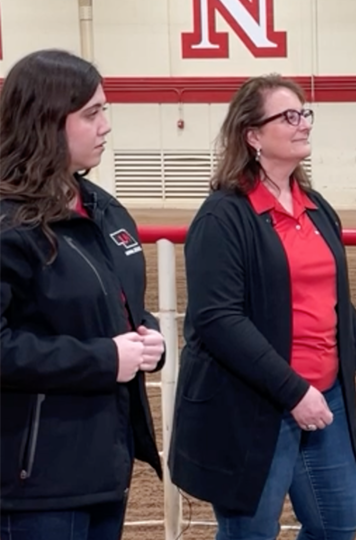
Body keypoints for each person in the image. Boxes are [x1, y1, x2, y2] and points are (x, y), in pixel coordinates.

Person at [168, 73, 356, 540]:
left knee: (337, 521)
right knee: (251, 532)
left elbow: (335, 300)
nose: (303, 124)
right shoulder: (223, 216)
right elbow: (217, 320)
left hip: (327, 397)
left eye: (305, 114)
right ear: (253, 135)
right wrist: (294, 392)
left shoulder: (317, 207)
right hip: (255, 402)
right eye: (289, 116)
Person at [0, 49, 165, 540]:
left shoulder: (104, 210)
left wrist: (145, 335)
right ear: (47, 119)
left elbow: (112, 303)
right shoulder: (10, 223)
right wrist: (103, 358)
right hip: (34, 485)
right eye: (92, 113)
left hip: (102, 467)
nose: (106, 126)